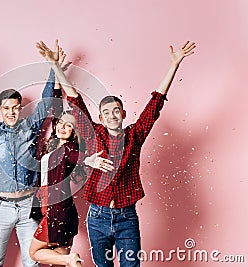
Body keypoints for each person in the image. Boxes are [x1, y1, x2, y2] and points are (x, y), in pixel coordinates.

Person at [36, 40, 196, 267]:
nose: (111, 115)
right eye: (106, 112)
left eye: (116, 111)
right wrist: (57, 68)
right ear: (100, 118)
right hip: (97, 218)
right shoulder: (93, 134)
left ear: (123, 114)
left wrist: (174, 65)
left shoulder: (135, 136)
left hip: (127, 218)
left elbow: (155, 103)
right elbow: (74, 100)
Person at [0, 41, 66, 266]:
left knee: (32, 262)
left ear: (20, 108)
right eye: (6, 108)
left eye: (15, 107)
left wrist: (54, 65)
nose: (11, 112)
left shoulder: (31, 126)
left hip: (28, 206)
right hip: (1, 207)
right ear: (1, 109)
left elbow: (47, 100)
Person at [29, 111, 114, 267]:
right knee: (58, 264)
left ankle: (70, 260)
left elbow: (76, 156)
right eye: (61, 122)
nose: (63, 126)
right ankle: (69, 261)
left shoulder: (68, 148)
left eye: (69, 125)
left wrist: (88, 160)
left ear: (74, 132)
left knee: (34, 253)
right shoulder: (54, 147)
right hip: (63, 212)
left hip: (56, 212)